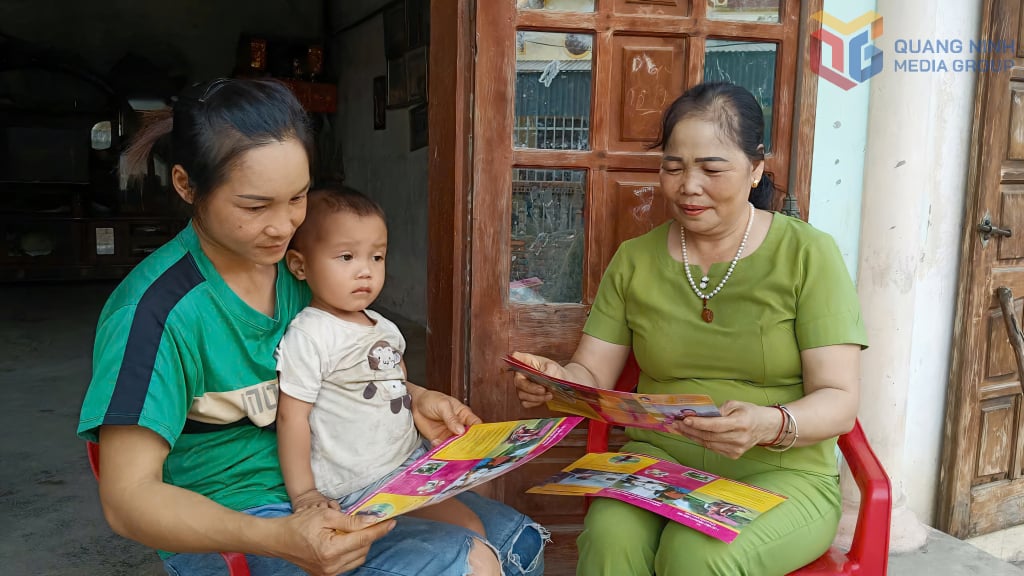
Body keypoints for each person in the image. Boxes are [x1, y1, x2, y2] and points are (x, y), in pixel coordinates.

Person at [77, 77, 546, 576]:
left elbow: (336, 360)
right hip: (236, 520)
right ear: (186, 185)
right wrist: (275, 537)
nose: (283, 226)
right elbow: (127, 499)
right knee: (466, 566)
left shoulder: (300, 267)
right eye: (255, 207)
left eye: (297, 198)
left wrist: (413, 395)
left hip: (342, 484)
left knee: (517, 546)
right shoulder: (154, 313)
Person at [513, 81, 867, 576]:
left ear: (755, 170)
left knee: (695, 553)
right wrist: (556, 380)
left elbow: (839, 399)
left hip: (781, 471)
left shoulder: (808, 254)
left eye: (711, 168)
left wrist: (769, 423)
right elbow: (591, 372)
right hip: (658, 462)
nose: (688, 186)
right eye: (673, 167)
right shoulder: (635, 260)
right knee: (610, 540)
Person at [275, 187, 485, 537]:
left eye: (377, 257)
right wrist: (305, 493)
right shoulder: (311, 334)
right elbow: (291, 417)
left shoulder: (384, 326)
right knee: (468, 529)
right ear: (300, 265)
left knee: (478, 507)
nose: (365, 272)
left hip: (407, 463)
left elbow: (397, 389)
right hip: (359, 482)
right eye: (346, 257)